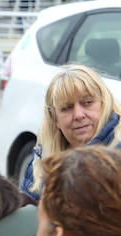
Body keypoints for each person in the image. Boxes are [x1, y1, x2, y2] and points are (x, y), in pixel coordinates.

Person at [20, 64, 120, 202]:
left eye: (88, 102)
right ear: (55, 118)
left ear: (104, 103)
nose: (78, 115)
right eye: (67, 108)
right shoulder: (42, 156)